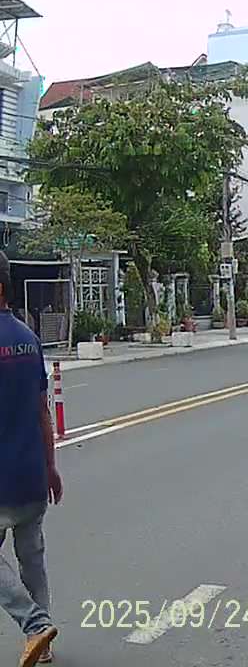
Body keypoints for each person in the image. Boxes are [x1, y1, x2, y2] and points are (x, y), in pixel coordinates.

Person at [0, 252, 62, 666]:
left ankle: (35, 624)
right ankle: (44, 643)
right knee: (32, 559)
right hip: (32, 474)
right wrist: (51, 467)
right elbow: (43, 411)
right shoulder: (28, 336)